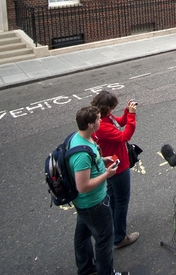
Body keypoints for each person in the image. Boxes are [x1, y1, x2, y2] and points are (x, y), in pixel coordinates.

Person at [69, 106, 125, 275]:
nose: (101, 121)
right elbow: (83, 186)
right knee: (104, 241)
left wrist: (102, 159)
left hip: (84, 204)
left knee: (82, 235)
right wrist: (107, 174)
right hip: (94, 204)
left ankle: (86, 269)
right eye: (98, 119)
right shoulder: (82, 156)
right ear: (90, 125)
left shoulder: (78, 138)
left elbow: (91, 160)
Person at [91, 91, 139, 250]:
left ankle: (111, 227)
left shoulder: (104, 118)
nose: (113, 111)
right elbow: (125, 136)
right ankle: (119, 237)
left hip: (111, 166)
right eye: (112, 107)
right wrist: (132, 117)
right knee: (122, 201)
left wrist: (127, 112)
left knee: (112, 199)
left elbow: (120, 121)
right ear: (106, 108)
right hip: (118, 168)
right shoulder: (102, 127)